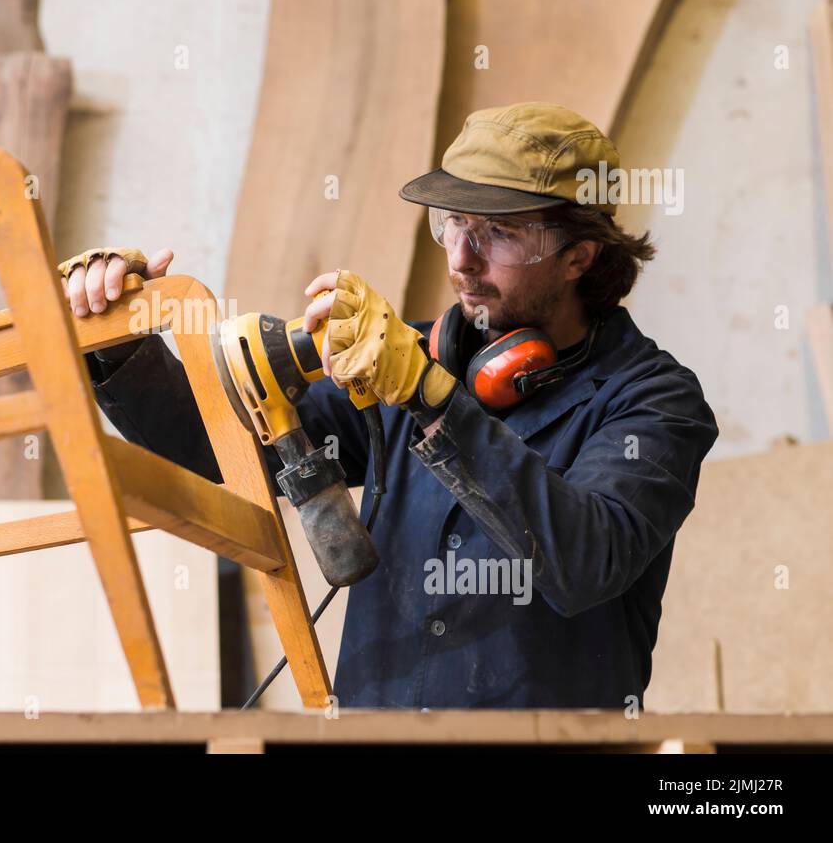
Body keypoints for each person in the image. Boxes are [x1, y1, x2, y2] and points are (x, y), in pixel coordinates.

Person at [57, 102, 719, 709]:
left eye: (499, 233)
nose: (461, 259)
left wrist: (433, 402)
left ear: (579, 254)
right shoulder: (407, 357)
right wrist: (121, 345)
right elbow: (223, 452)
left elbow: (585, 559)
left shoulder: (654, 402)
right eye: (453, 222)